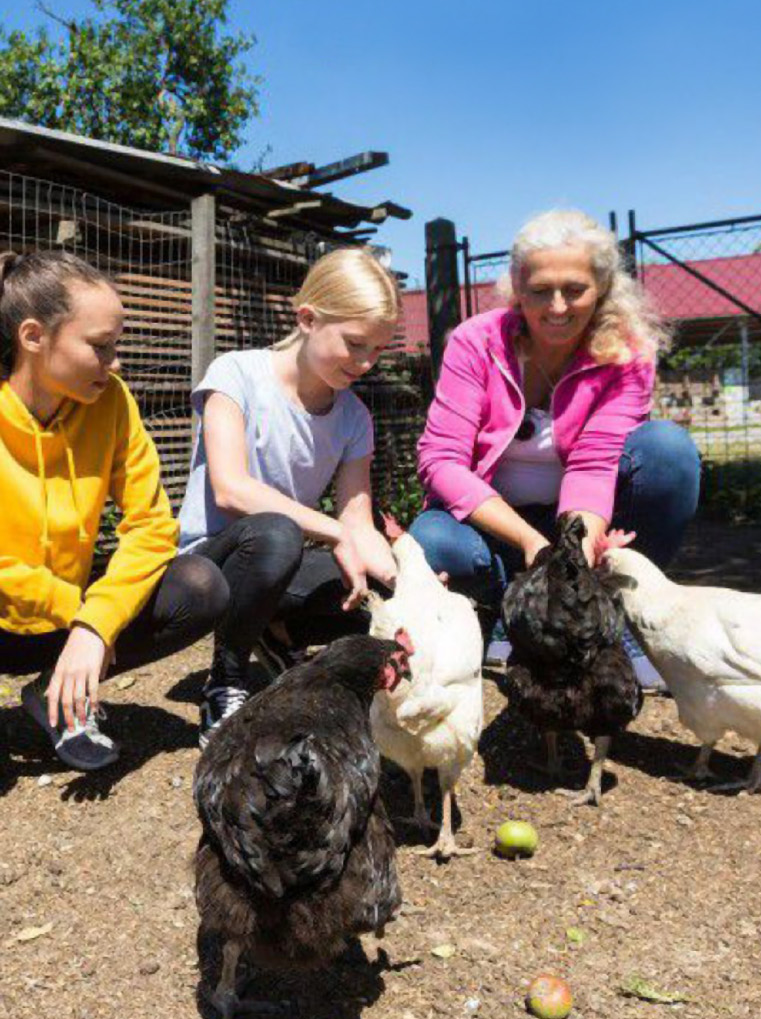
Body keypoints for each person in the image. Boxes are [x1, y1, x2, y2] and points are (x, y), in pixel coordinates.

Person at [0, 250, 229, 803]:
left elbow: (150, 526)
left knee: (201, 585)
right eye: (100, 346)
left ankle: (57, 691)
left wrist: (96, 625)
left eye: (115, 345)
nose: (114, 363)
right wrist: (62, 600)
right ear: (32, 336)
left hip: (69, 623)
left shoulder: (111, 403)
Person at [409, 209, 700, 685]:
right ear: (518, 288)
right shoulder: (474, 342)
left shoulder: (626, 354)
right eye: (540, 290)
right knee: (432, 542)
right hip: (496, 528)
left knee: (668, 453)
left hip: (579, 520)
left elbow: (594, 463)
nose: (557, 307)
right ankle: (509, 610)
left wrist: (571, 558)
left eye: (575, 289)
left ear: (602, 289)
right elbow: (440, 459)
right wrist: (530, 543)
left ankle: (612, 610)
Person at [175, 247, 403, 743]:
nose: (365, 363)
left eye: (379, 350)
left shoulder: (353, 418)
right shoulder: (235, 375)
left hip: (286, 559)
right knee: (277, 536)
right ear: (307, 318)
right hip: (211, 562)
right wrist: (335, 531)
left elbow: (356, 519)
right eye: (355, 343)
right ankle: (227, 680)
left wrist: (404, 578)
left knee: (380, 597)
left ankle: (277, 634)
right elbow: (230, 488)